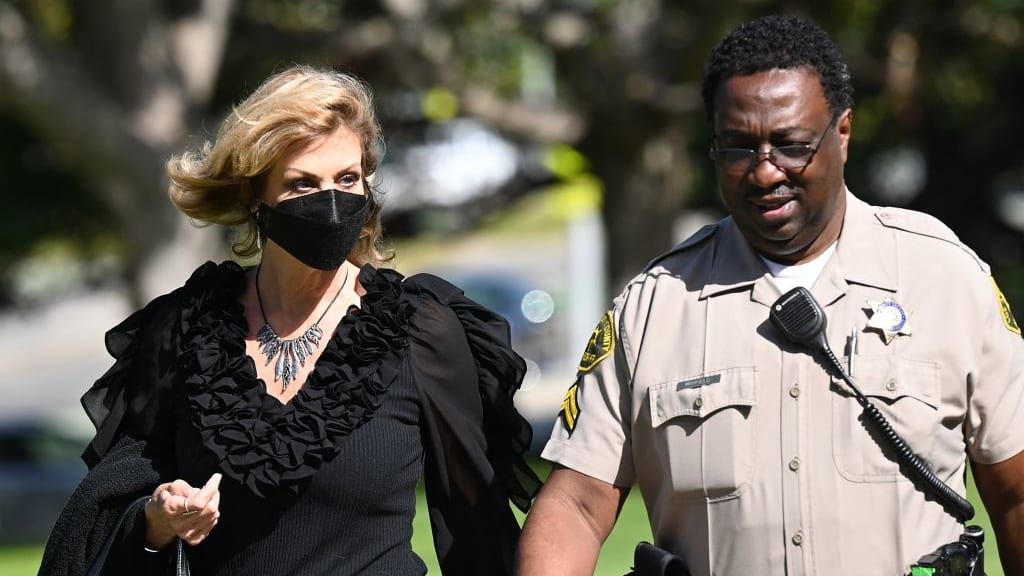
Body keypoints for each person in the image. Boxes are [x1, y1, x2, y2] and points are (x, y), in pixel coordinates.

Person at [517, 14, 1024, 576]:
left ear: (844, 132)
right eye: (737, 148)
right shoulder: (654, 307)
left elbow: (1016, 493)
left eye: (791, 145)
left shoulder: (944, 278)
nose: (764, 173)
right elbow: (576, 507)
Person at [39, 64, 540, 576]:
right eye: (302, 185)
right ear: (255, 196)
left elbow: (476, 532)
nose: (330, 205)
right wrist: (158, 521)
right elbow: (104, 516)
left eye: (347, 179)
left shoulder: (419, 332)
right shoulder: (187, 328)